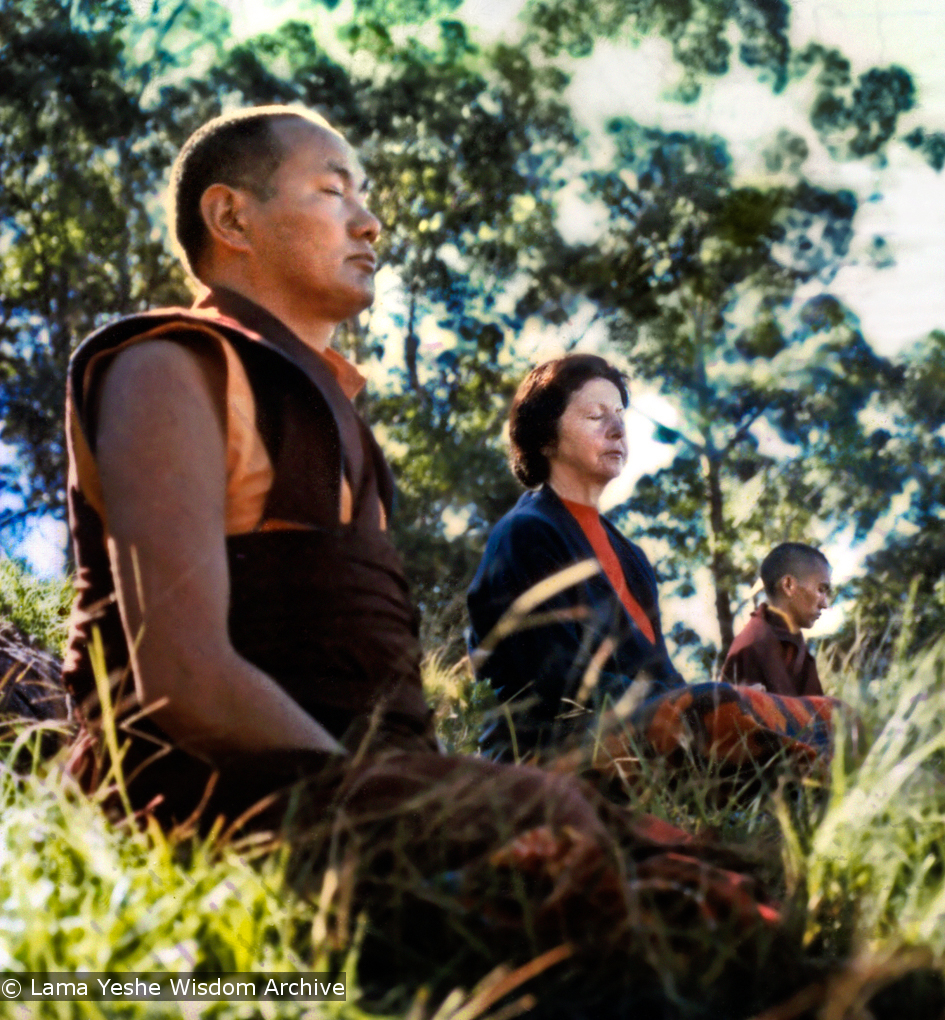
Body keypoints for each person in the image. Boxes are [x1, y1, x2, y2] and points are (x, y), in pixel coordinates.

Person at [59, 106, 802, 1006]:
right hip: (225, 799)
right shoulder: (169, 365)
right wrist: (428, 804)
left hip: (368, 793)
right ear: (231, 219)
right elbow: (183, 676)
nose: (368, 221)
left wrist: (433, 791)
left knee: (708, 883)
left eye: (364, 197)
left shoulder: (342, 425)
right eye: (333, 191)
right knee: (586, 862)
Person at [467, 355, 839, 780]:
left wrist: (714, 696)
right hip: (547, 752)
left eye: (620, 416)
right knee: (723, 715)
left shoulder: (632, 558)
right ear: (546, 438)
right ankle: (817, 800)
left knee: (834, 716)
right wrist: (703, 701)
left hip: (647, 729)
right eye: (594, 415)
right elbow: (561, 684)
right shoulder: (526, 534)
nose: (617, 429)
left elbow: (661, 672)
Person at [721, 544, 831, 697]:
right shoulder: (751, 645)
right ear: (788, 585)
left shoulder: (797, 647)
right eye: (820, 590)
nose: (825, 604)